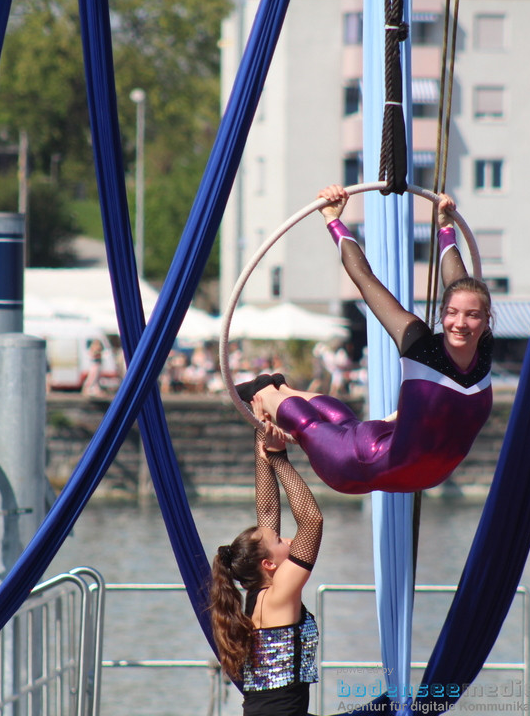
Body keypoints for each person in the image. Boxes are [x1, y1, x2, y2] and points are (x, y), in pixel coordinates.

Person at [238, 184, 494, 495]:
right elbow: (364, 278)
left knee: (346, 423)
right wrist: (332, 220)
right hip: (358, 465)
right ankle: (263, 391)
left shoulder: (485, 348)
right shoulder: (419, 345)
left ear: (486, 320)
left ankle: (283, 387)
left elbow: (462, 285)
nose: (461, 323)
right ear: (442, 313)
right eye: (452, 313)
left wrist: (446, 229)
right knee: (310, 424)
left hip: (396, 453)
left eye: (472, 316)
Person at [210, 408, 323, 716]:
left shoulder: (257, 595)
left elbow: (269, 511)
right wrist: (279, 458)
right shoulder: (279, 594)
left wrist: (262, 428)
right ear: (268, 565)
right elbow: (312, 521)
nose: (287, 540)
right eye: (280, 542)